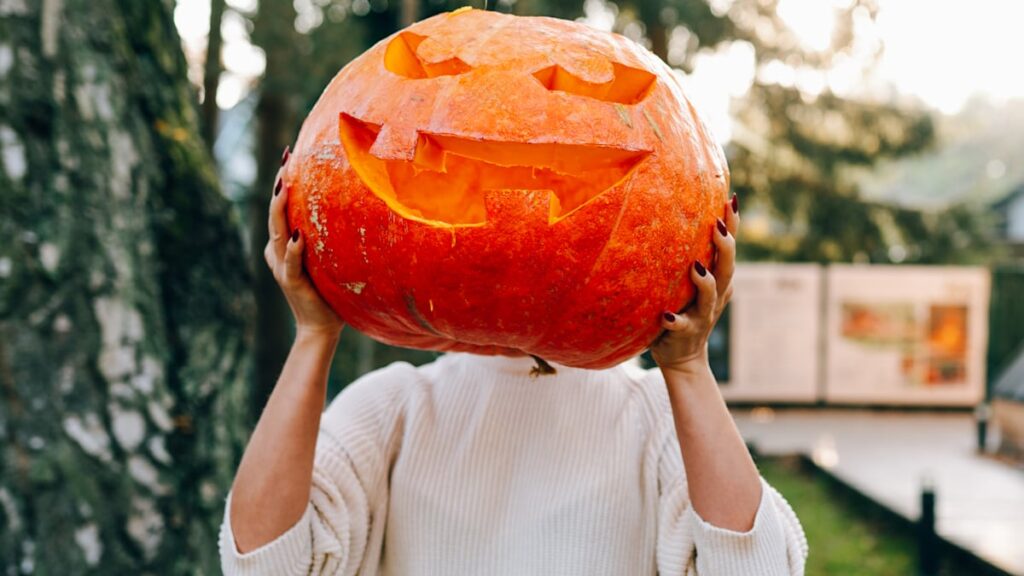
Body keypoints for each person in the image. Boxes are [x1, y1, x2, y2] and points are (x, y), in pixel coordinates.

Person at [219, 154, 808, 576]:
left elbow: (756, 567)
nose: (514, 207)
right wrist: (315, 333)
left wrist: (688, 368)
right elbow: (264, 562)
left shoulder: (657, 415)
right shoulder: (393, 408)